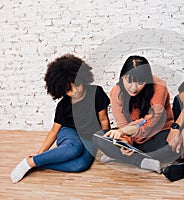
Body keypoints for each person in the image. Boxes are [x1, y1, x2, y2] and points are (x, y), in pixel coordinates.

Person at [10, 54, 110, 183]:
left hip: (89, 135)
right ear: (62, 89)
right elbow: (54, 131)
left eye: (77, 84)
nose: (75, 91)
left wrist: (105, 141)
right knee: (74, 148)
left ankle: (38, 164)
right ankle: (31, 161)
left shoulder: (97, 93)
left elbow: (103, 120)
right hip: (69, 132)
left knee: (81, 165)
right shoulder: (63, 105)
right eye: (69, 89)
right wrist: (40, 153)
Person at [93, 55, 179, 173]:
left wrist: (123, 133)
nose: (134, 88)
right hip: (132, 136)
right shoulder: (117, 92)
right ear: (122, 77)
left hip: (156, 134)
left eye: (140, 82)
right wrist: (125, 143)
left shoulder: (159, 87)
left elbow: (150, 121)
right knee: (99, 137)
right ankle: (139, 160)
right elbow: (122, 124)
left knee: (174, 144)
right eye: (129, 81)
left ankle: (119, 157)